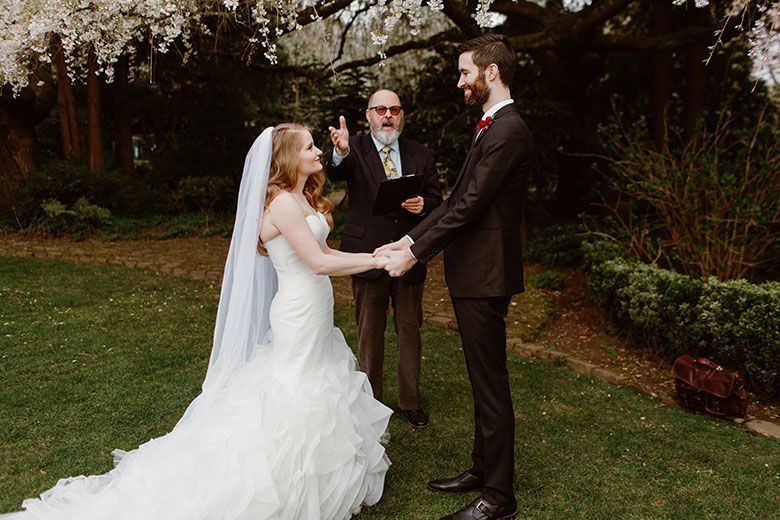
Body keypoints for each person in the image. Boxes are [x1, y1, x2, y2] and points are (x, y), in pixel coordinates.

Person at [2, 123, 393, 520]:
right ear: (289, 157)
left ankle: (318, 473)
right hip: (297, 311)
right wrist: (376, 260)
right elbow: (319, 262)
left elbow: (325, 251)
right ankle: (284, 480)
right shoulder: (283, 205)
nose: (317, 151)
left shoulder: (301, 197)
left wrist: (373, 253)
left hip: (314, 308)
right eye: (309, 146)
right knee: (296, 390)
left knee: (314, 382)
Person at [377, 34, 535, 520]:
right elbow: (452, 201)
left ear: (492, 72)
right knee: (479, 376)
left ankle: (499, 499)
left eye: (466, 72)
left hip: (486, 274)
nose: (460, 81)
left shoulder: (509, 130)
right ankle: (481, 469)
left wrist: (416, 254)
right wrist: (408, 241)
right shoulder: (490, 126)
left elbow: (469, 207)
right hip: (475, 273)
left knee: (490, 382)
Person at [327, 89, 443, 429]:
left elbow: (438, 200)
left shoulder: (420, 153)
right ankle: (370, 401)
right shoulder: (355, 148)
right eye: (380, 109)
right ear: (369, 115)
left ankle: (410, 401)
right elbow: (338, 171)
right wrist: (341, 150)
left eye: (394, 109)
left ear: (401, 114)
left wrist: (424, 204)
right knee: (369, 331)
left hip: (409, 254)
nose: (387, 115)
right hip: (368, 254)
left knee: (410, 330)